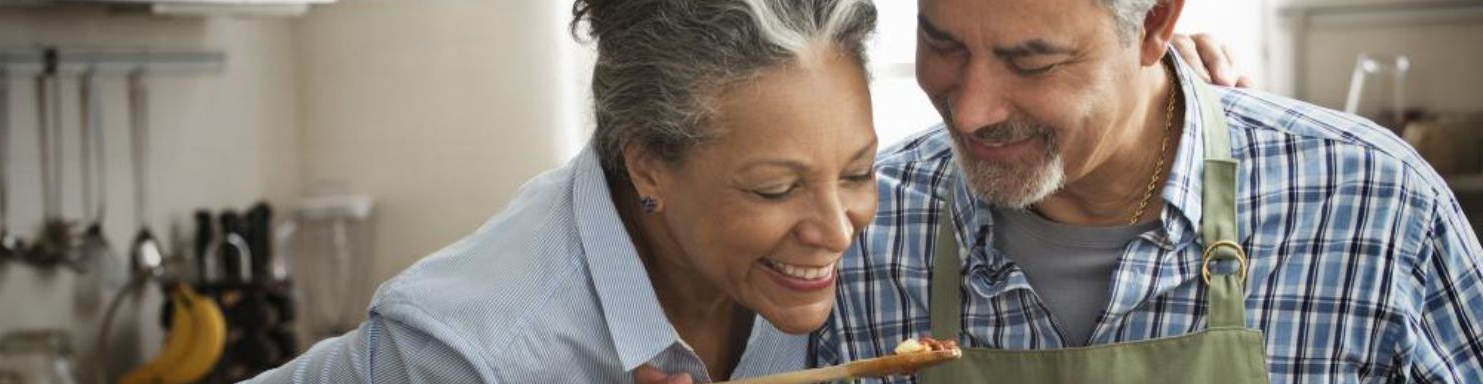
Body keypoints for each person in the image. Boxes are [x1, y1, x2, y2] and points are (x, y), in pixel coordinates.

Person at [244, 0, 1242, 382]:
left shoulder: (827, 248)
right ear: (646, 165)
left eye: (856, 169)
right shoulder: (476, 352)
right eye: (774, 188)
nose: (838, 228)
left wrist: (1137, 84)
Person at [816, 0, 1483, 382]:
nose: (971, 113)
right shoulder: (857, 228)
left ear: (1155, 24)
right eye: (944, 44)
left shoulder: (1374, 205)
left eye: (1032, 61)